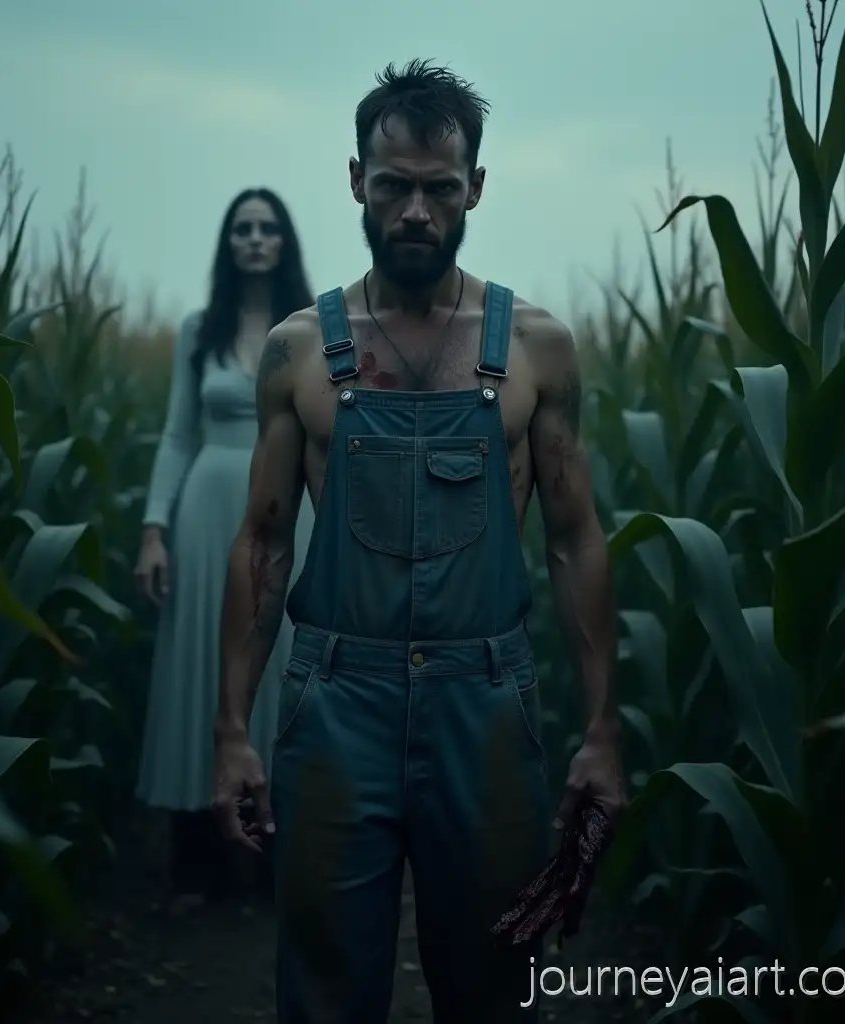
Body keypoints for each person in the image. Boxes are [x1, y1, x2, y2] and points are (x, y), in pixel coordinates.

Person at [211, 61, 625, 1022]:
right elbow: (262, 548)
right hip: (335, 700)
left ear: (475, 187)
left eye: (440, 189)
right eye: (393, 184)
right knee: (324, 988)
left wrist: (603, 731)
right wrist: (232, 733)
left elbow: (576, 541)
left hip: (484, 703)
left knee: (490, 983)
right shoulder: (299, 351)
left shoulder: (534, 346)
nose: (414, 211)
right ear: (356, 178)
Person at [135, 187, 315, 912]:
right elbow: (178, 434)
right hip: (207, 513)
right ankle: (194, 862)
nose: (254, 238)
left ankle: (274, 857)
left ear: (284, 242)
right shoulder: (197, 329)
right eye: (242, 228)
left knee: (278, 671)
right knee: (201, 673)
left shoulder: (307, 331)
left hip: (286, 512)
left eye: (267, 228)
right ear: (227, 243)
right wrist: (153, 529)